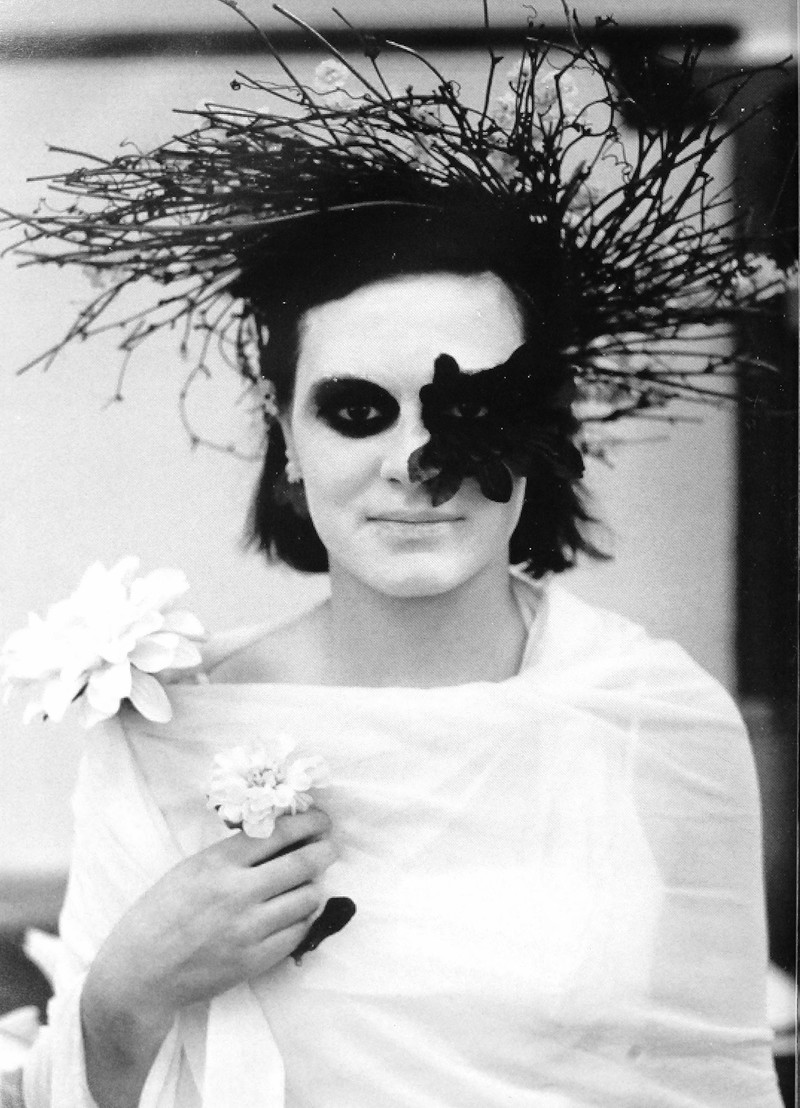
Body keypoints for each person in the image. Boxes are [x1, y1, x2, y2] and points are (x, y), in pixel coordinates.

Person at [2, 10, 790, 1107]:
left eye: (472, 405)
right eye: (357, 410)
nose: (416, 464)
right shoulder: (170, 729)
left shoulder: (653, 720)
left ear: (545, 425)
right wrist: (128, 991)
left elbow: (714, 1080)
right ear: (286, 437)